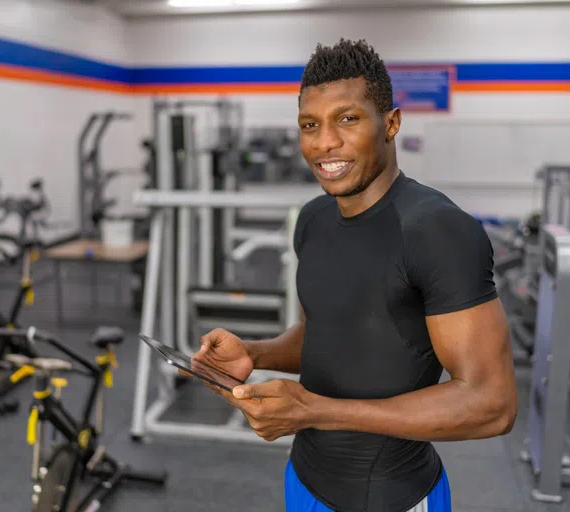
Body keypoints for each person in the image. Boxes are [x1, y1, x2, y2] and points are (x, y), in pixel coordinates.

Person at [190, 38, 519, 512]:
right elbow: (326, 335)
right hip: (304, 479)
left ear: (391, 124)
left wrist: (314, 409)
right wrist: (255, 353)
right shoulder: (314, 220)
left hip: (391, 495)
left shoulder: (436, 230)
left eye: (347, 119)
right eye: (310, 124)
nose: (324, 142)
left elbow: (493, 403)